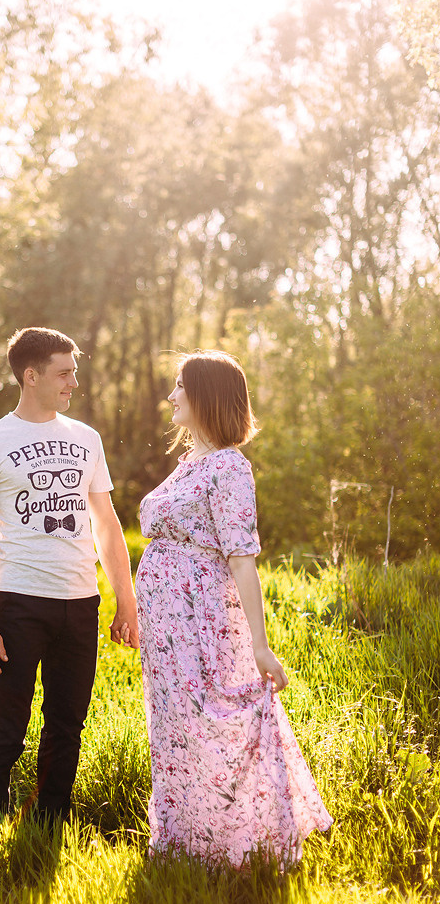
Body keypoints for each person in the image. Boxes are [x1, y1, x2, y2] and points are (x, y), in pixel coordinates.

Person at [135, 349, 331, 866]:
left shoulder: (229, 467)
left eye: (180, 386)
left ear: (206, 397)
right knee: (174, 725)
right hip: (166, 628)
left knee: (210, 719)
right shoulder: (188, 463)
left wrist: (261, 646)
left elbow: (242, 559)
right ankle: (183, 842)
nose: (171, 395)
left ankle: (240, 843)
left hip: (201, 622)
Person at [0, 326, 139, 836]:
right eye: (64, 373)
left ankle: (48, 827)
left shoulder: (86, 439)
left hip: (80, 603)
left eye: (74, 372)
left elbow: (106, 524)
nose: (73, 383)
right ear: (30, 375)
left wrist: (125, 601)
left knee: (67, 726)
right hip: (18, 604)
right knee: (6, 729)